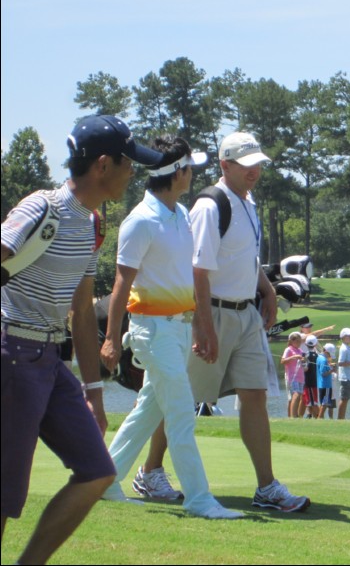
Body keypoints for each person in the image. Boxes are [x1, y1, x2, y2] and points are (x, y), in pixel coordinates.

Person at [1, 115, 162, 563]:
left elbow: (81, 310)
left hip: (50, 361)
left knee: (95, 473)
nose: (134, 173)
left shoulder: (92, 225)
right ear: (104, 166)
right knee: (3, 495)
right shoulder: (42, 208)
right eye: (129, 163)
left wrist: (93, 391)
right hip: (11, 354)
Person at [98, 136, 241, 519]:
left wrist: (198, 327)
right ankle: (199, 499)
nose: (193, 174)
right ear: (176, 173)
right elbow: (121, 285)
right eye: (190, 168)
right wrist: (111, 339)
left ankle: (103, 480)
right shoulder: (140, 222)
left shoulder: (179, 214)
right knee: (180, 414)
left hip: (177, 329)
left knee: (147, 412)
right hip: (152, 332)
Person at [187, 131, 309, 512]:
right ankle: (151, 470)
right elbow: (198, 271)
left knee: (254, 395)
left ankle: (266, 487)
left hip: (246, 314)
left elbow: (246, 258)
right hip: (214, 312)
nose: (255, 171)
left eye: (257, 164)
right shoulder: (211, 205)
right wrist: (203, 325)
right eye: (246, 165)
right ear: (225, 165)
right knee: (183, 398)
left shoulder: (248, 202)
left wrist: (268, 290)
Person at [281, 332, 306, 418]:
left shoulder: (300, 351)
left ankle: (293, 415)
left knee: (297, 397)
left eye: (300, 341)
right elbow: (283, 361)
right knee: (296, 395)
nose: (299, 343)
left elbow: (304, 366)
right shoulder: (289, 349)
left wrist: (304, 361)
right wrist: (293, 357)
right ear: (291, 341)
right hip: (292, 377)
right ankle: (293, 416)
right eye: (297, 341)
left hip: (301, 377)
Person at [336, 328, 350, 420]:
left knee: (346, 399)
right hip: (346, 378)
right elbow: (340, 363)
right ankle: (340, 419)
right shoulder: (344, 348)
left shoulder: (348, 347)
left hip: (349, 377)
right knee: (344, 399)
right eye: (349, 336)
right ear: (344, 337)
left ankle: (341, 418)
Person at [317, 343, 337, 419]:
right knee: (325, 403)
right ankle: (320, 417)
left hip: (321, 384)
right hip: (326, 384)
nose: (330, 356)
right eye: (329, 354)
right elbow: (323, 373)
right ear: (326, 352)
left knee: (324, 402)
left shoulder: (319, 357)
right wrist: (332, 370)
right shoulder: (324, 360)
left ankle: (320, 417)